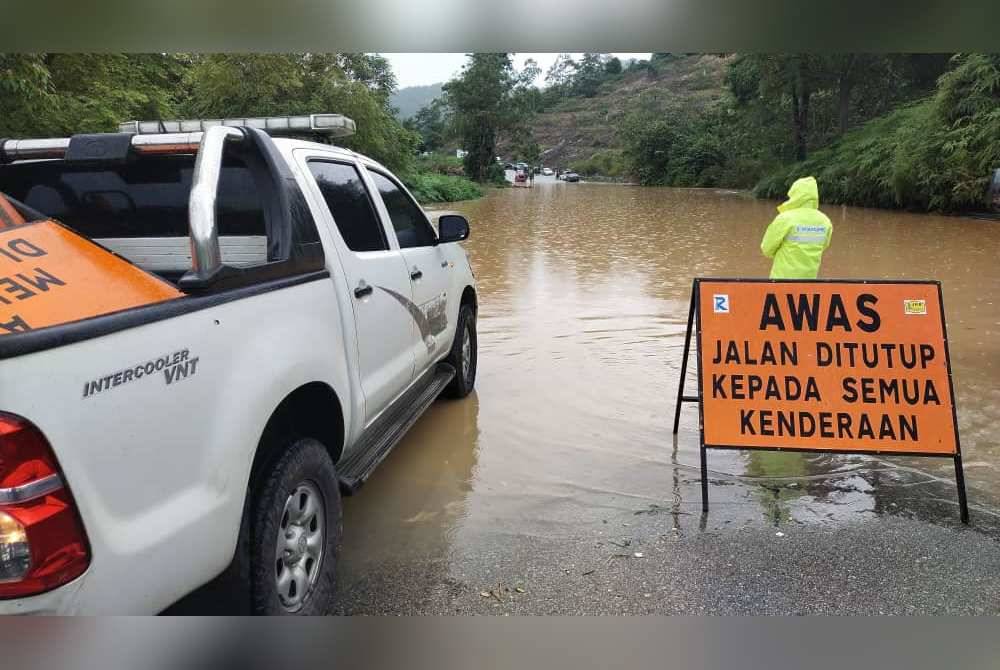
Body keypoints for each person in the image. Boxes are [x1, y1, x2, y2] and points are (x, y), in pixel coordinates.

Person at [760, 176, 832, 279]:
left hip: (781, 281)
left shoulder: (785, 218)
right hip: (810, 282)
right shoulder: (825, 221)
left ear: (795, 195)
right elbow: (823, 246)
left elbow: (766, 249)